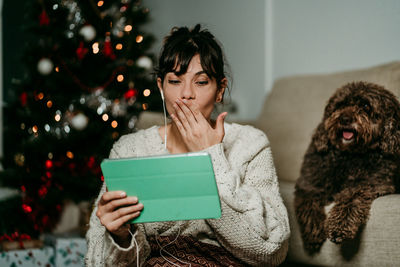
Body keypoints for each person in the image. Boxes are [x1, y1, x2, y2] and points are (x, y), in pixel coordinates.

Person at [85, 24, 290, 267]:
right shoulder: (130, 150)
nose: (186, 94)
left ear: (219, 91)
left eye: (201, 82)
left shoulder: (251, 144)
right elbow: (96, 261)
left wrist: (211, 154)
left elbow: (271, 249)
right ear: (161, 87)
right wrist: (119, 236)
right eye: (174, 81)